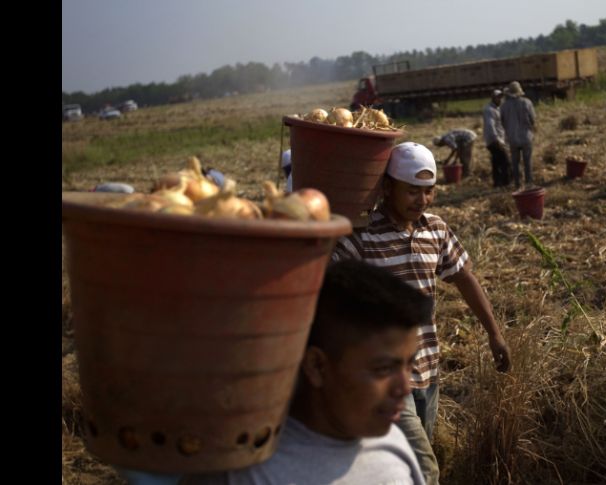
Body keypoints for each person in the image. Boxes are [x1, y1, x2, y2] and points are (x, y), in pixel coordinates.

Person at [119, 260, 432, 485]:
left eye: (408, 363)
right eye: (383, 369)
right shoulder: (246, 471)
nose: (404, 387)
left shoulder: (392, 445)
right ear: (317, 366)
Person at [332, 142, 512, 485]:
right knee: (424, 469)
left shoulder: (436, 229)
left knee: (411, 459)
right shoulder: (364, 236)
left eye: (429, 192)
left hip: (429, 366)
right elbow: (326, 276)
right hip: (384, 378)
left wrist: (495, 334)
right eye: (413, 191)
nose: (422, 200)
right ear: (387, 188)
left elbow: (463, 277)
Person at [500, 81, 536, 190]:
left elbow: (502, 122)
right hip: (526, 137)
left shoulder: (504, 106)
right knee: (527, 161)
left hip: (512, 138)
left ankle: (517, 184)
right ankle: (529, 183)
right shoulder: (527, 103)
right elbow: (533, 119)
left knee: (515, 163)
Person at [483, 89, 511, 187]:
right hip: (494, 140)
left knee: (496, 162)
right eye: (498, 97)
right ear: (493, 98)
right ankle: (505, 183)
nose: (500, 99)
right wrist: (497, 140)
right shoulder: (489, 110)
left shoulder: (497, 108)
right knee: (505, 161)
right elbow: (491, 126)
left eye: (501, 97)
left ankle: (497, 183)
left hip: (498, 139)